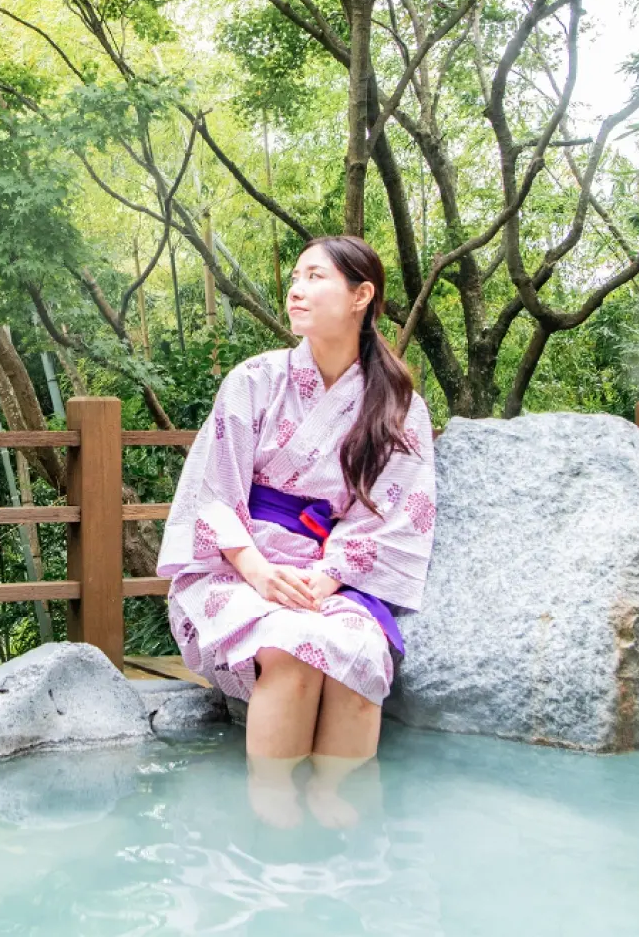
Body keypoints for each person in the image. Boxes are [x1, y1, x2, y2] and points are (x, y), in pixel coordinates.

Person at [157, 235, 436, 828]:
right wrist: (257, 570)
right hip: (238, 565)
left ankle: (337, 804)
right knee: (291, 647)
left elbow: (399, 511)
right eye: (296, 277)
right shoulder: (254, 380)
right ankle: (274, 805)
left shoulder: (399, 403)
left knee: (360, 649)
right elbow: (211, 493)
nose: (296, 289)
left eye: (316, 277)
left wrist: (330, 576)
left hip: (332, 573)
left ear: (363, 296)